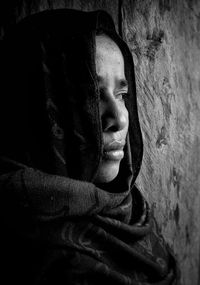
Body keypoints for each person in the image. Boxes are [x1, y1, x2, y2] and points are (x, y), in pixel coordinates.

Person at [0, 9, 178, 285]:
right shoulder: (31, 254)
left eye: (122, 94)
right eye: (91, 94)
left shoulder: (133, 214)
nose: (119, 119)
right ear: (37, 103)